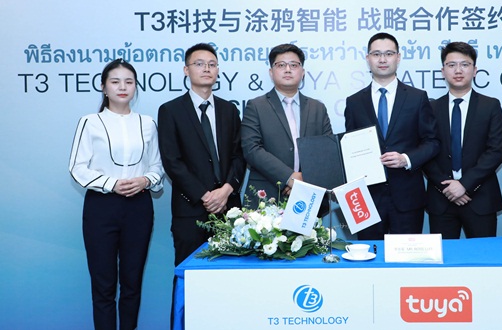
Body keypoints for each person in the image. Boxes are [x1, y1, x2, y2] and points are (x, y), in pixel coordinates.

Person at [69, 59, 163, 330]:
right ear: (103, 87)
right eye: (115, 81)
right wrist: (111, 184)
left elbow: (157, 167)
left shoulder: (147, 123)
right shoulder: (90, 122)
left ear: (135, 87)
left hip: (139, 207)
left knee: (132, 283)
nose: (123, 87)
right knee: (103, 285)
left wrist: (145, 180)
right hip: (101, 208)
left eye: (129, 82)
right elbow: (77, 167)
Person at [344, 32, 439, 240]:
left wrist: (406, 159)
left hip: (407, 196)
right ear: (368, 58)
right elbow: (349, 148)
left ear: (398, 57)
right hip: (366, 200)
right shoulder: (354, 102)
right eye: (376, 54)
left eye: (388, 53)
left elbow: (432, 142)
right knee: (369, 256)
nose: (382, 59)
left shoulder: (417, 97)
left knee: (407, 258)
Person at [158, 43, 245, 268]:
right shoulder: (170, 110)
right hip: (190, 211)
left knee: (231, 275)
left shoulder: (229, 110)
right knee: (189, 275)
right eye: (199, 64)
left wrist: (226, 191)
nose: (206, 69)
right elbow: (172, 161)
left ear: (217, 71)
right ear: (186, 70)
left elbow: (239, 155)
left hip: (229, 208)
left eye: (212, 64)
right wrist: (205, 196)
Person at [423, 41, 502, 239]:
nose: (458, 70)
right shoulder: (430, 109)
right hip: (441, 200)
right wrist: (447, 188)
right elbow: (425, 152)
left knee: (484, 256)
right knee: (443, 257)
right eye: (451, 65)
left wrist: (464, 185)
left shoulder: (491, 106)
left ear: (475, 70)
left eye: (465, 65)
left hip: (480, 198)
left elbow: (495, 152)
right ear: (443, 71)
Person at [241, 43, 333, 206]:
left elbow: (327, 151)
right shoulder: (256, 106)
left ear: (302, 72)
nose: (288, 69)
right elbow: (252, 149)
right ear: (271, 72)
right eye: (281, 65)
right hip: (267, 195)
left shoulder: (317, 108)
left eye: (294, 65)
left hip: (309, 195)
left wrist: (304, 180)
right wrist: (290, 177)